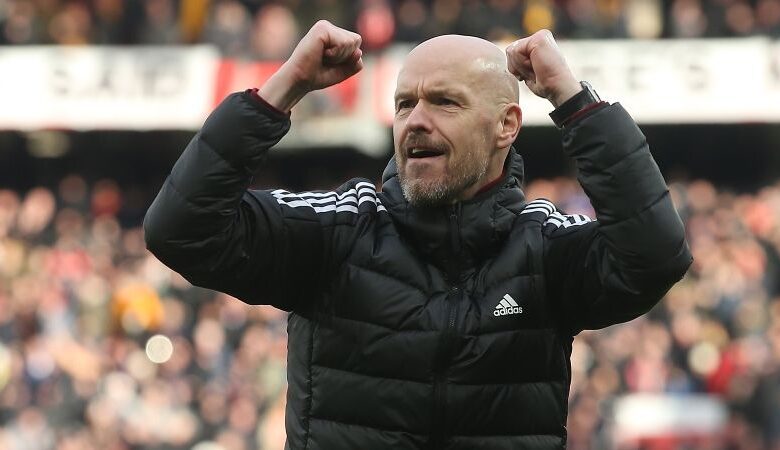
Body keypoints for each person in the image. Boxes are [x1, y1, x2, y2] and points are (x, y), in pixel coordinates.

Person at [144, 20, 692, 450]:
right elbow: (181, 230)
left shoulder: (544, 248)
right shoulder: (338, 230)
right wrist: (282, 89)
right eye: (405, 103)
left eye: (445, 102)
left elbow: (654, 257)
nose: (416, 121)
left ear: (506, 125)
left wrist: (575, 102)